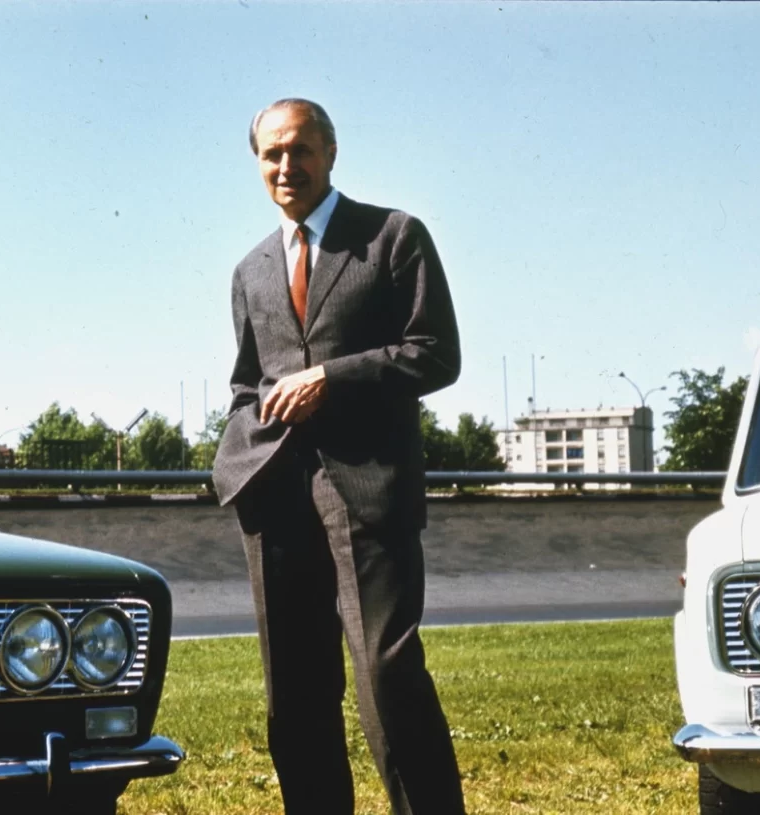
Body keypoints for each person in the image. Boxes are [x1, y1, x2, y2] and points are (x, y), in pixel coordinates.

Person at [212, 98, 466, 815]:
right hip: (273, 491)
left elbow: (436, 353)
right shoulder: (251, 269)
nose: (286, 166)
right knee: (294, 689)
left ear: (330, 152)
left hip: (368, 485)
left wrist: (332, 378)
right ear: (257, 162)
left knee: (388, 675)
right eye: (272, 154)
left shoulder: (392, 236)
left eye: (300, 150)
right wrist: (236, 455)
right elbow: (247, 382)